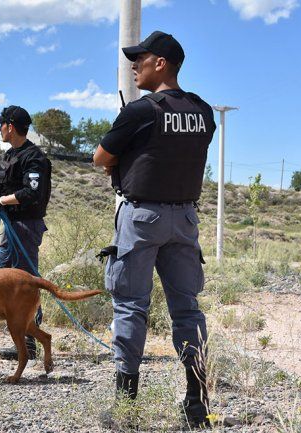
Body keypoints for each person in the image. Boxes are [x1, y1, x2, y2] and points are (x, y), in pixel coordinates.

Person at [92, 31, 216, 428]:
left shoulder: (142, 110)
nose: (134, 65)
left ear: (160, 63)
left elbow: (101, 157)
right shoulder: (203, 111)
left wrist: (123, 160)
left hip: (142, 218)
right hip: (185, 220)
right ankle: (197, 403)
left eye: (140, 59)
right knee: (188, 310)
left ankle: (126, 406)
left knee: (130, 306)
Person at [0, 105, 52, 360]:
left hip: (25, 227)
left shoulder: (33, 157)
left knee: (26, 282)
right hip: (9, 226)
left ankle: (29, 343)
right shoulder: (9, 155)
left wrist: (0, 202)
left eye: (1, 125)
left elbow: (31, 193)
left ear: (11, 127)